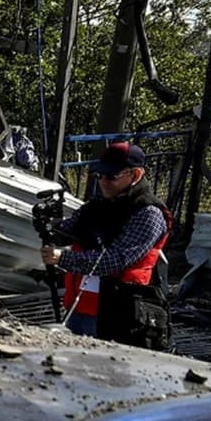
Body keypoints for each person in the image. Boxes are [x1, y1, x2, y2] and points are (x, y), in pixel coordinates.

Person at [41, 140, 172, 349]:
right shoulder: (97, 206)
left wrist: (62, 258)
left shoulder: (149, 214)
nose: (103, 181)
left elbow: (116, 260)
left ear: (135, 175)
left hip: (119, 314)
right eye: (100, 175)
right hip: (80, 307)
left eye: (111, 176)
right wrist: (48, 224)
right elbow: (66, 233)